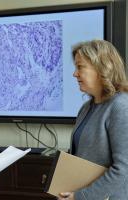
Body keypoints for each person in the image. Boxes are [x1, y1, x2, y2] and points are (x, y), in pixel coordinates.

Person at [58, 40, 128, 200]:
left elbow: (124, 169)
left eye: (80, 67)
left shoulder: (121, 106)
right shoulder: (86, 107)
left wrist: (80, 196)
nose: (74, 74)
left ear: (102, 68)